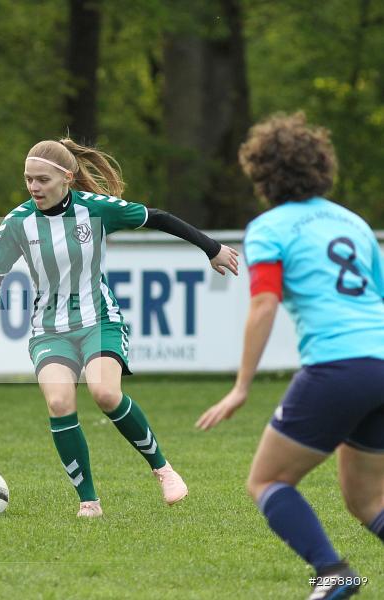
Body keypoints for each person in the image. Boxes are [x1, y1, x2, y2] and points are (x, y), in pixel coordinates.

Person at [0, 138, 239, 518]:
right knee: (60, 402)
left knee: (105, 393)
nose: (34, 187)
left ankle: (163, 470)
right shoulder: (17, 222)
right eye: (28, 179)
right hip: (50, 329)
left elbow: (157, 216)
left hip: (99, 320)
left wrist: (211, 248)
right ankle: (89, 502)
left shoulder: (95, 210)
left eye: (42, 180)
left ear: (67, 177)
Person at [197, 113, 381, 600]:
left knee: (268, 480)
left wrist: (241, 386)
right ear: (321, 165)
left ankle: (332, 572)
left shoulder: (268, 228)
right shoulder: (354, 224)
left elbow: (263, 302)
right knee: (368, 499)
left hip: (338, 367)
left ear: (261, 173)